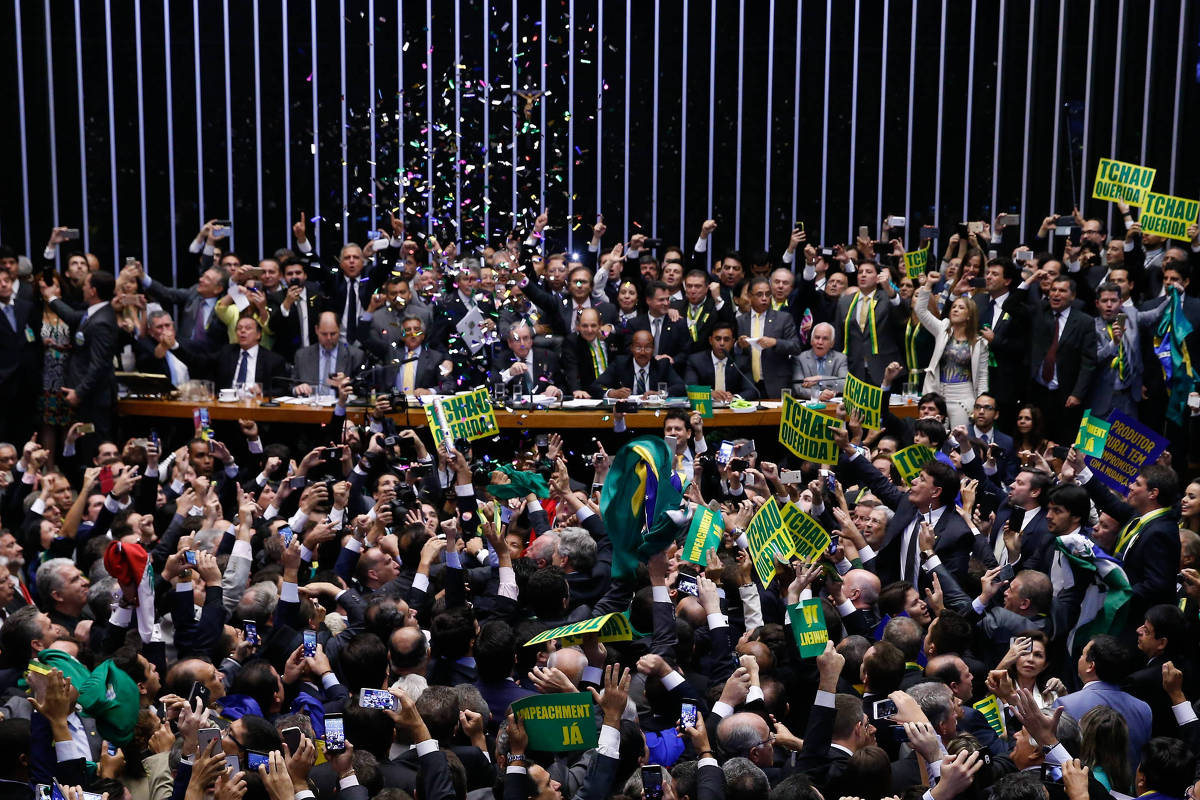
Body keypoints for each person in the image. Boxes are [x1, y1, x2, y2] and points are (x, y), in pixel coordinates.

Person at [41, 271, 119, 445]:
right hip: (88, 397)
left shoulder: (102, 321)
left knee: (95, 441)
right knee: (84, 438)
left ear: (93, 291)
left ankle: (98, 471)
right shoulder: (94, 313)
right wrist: (51, 298)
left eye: (86, 285)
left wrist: (79, 392)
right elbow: (71, 316)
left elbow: (98, 364)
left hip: (94, 397)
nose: (82, 288)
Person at [914, 271, 989, 427]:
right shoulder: (942, 329)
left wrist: (980, 405)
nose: (955, 309)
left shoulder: (979, 343)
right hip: (936, 394)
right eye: (954, 307)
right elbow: (920, 311)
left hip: (964, 398)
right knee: (931, 436)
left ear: (969, 315)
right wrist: (928, 285)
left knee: (958, 440)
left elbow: (982, 377)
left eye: (961, 308)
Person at [736, 276, 802, 398]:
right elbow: (733, 353)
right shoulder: (740, 321)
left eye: (768, 294)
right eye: (759, 294)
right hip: (748, 384)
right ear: (750, 296)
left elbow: (796, 347)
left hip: (776, 383)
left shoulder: (783, 318)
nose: (765, 298)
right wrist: (739, 345)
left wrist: (775, 342)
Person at [292, 312, 365, 397]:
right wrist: (297, 389)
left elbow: (362, 391)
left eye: (333, 334)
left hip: (340, 407)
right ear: (316, 330)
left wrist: (347, 384)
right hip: (310, 407)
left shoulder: (355, 356)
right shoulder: (302, 356)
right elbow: (290, 385)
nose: (329, 338)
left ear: (339, 329)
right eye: (324, 334)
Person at [683, 322, 758, 402]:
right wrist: (710, 394)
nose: (722, 343)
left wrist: (734, 398)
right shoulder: (696, 360)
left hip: (731, 409)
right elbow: (690, 387)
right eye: (718, 339)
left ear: (733, 342)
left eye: (726, 339)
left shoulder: (741, 362)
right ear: (710, 340)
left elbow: (751, 391)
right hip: (705, 409)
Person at [214, 315, 290, 392]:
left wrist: (262, 392)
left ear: (258, 335)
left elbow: (282, 389)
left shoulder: (273, 360)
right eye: (239, 328)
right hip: (228, 401)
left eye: (248, 328)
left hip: (256, 401)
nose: (242, 331)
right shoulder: (226, 352)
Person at [791, 322, 848, 401]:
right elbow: (797, 388)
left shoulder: (841, 358)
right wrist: (818, 394)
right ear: (811, 341)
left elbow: (845, 384)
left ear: (832, 343)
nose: (820, 342)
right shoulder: (800, 358)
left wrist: (819, 379)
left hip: (832, 406)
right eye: (817, 337)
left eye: (825, 339)